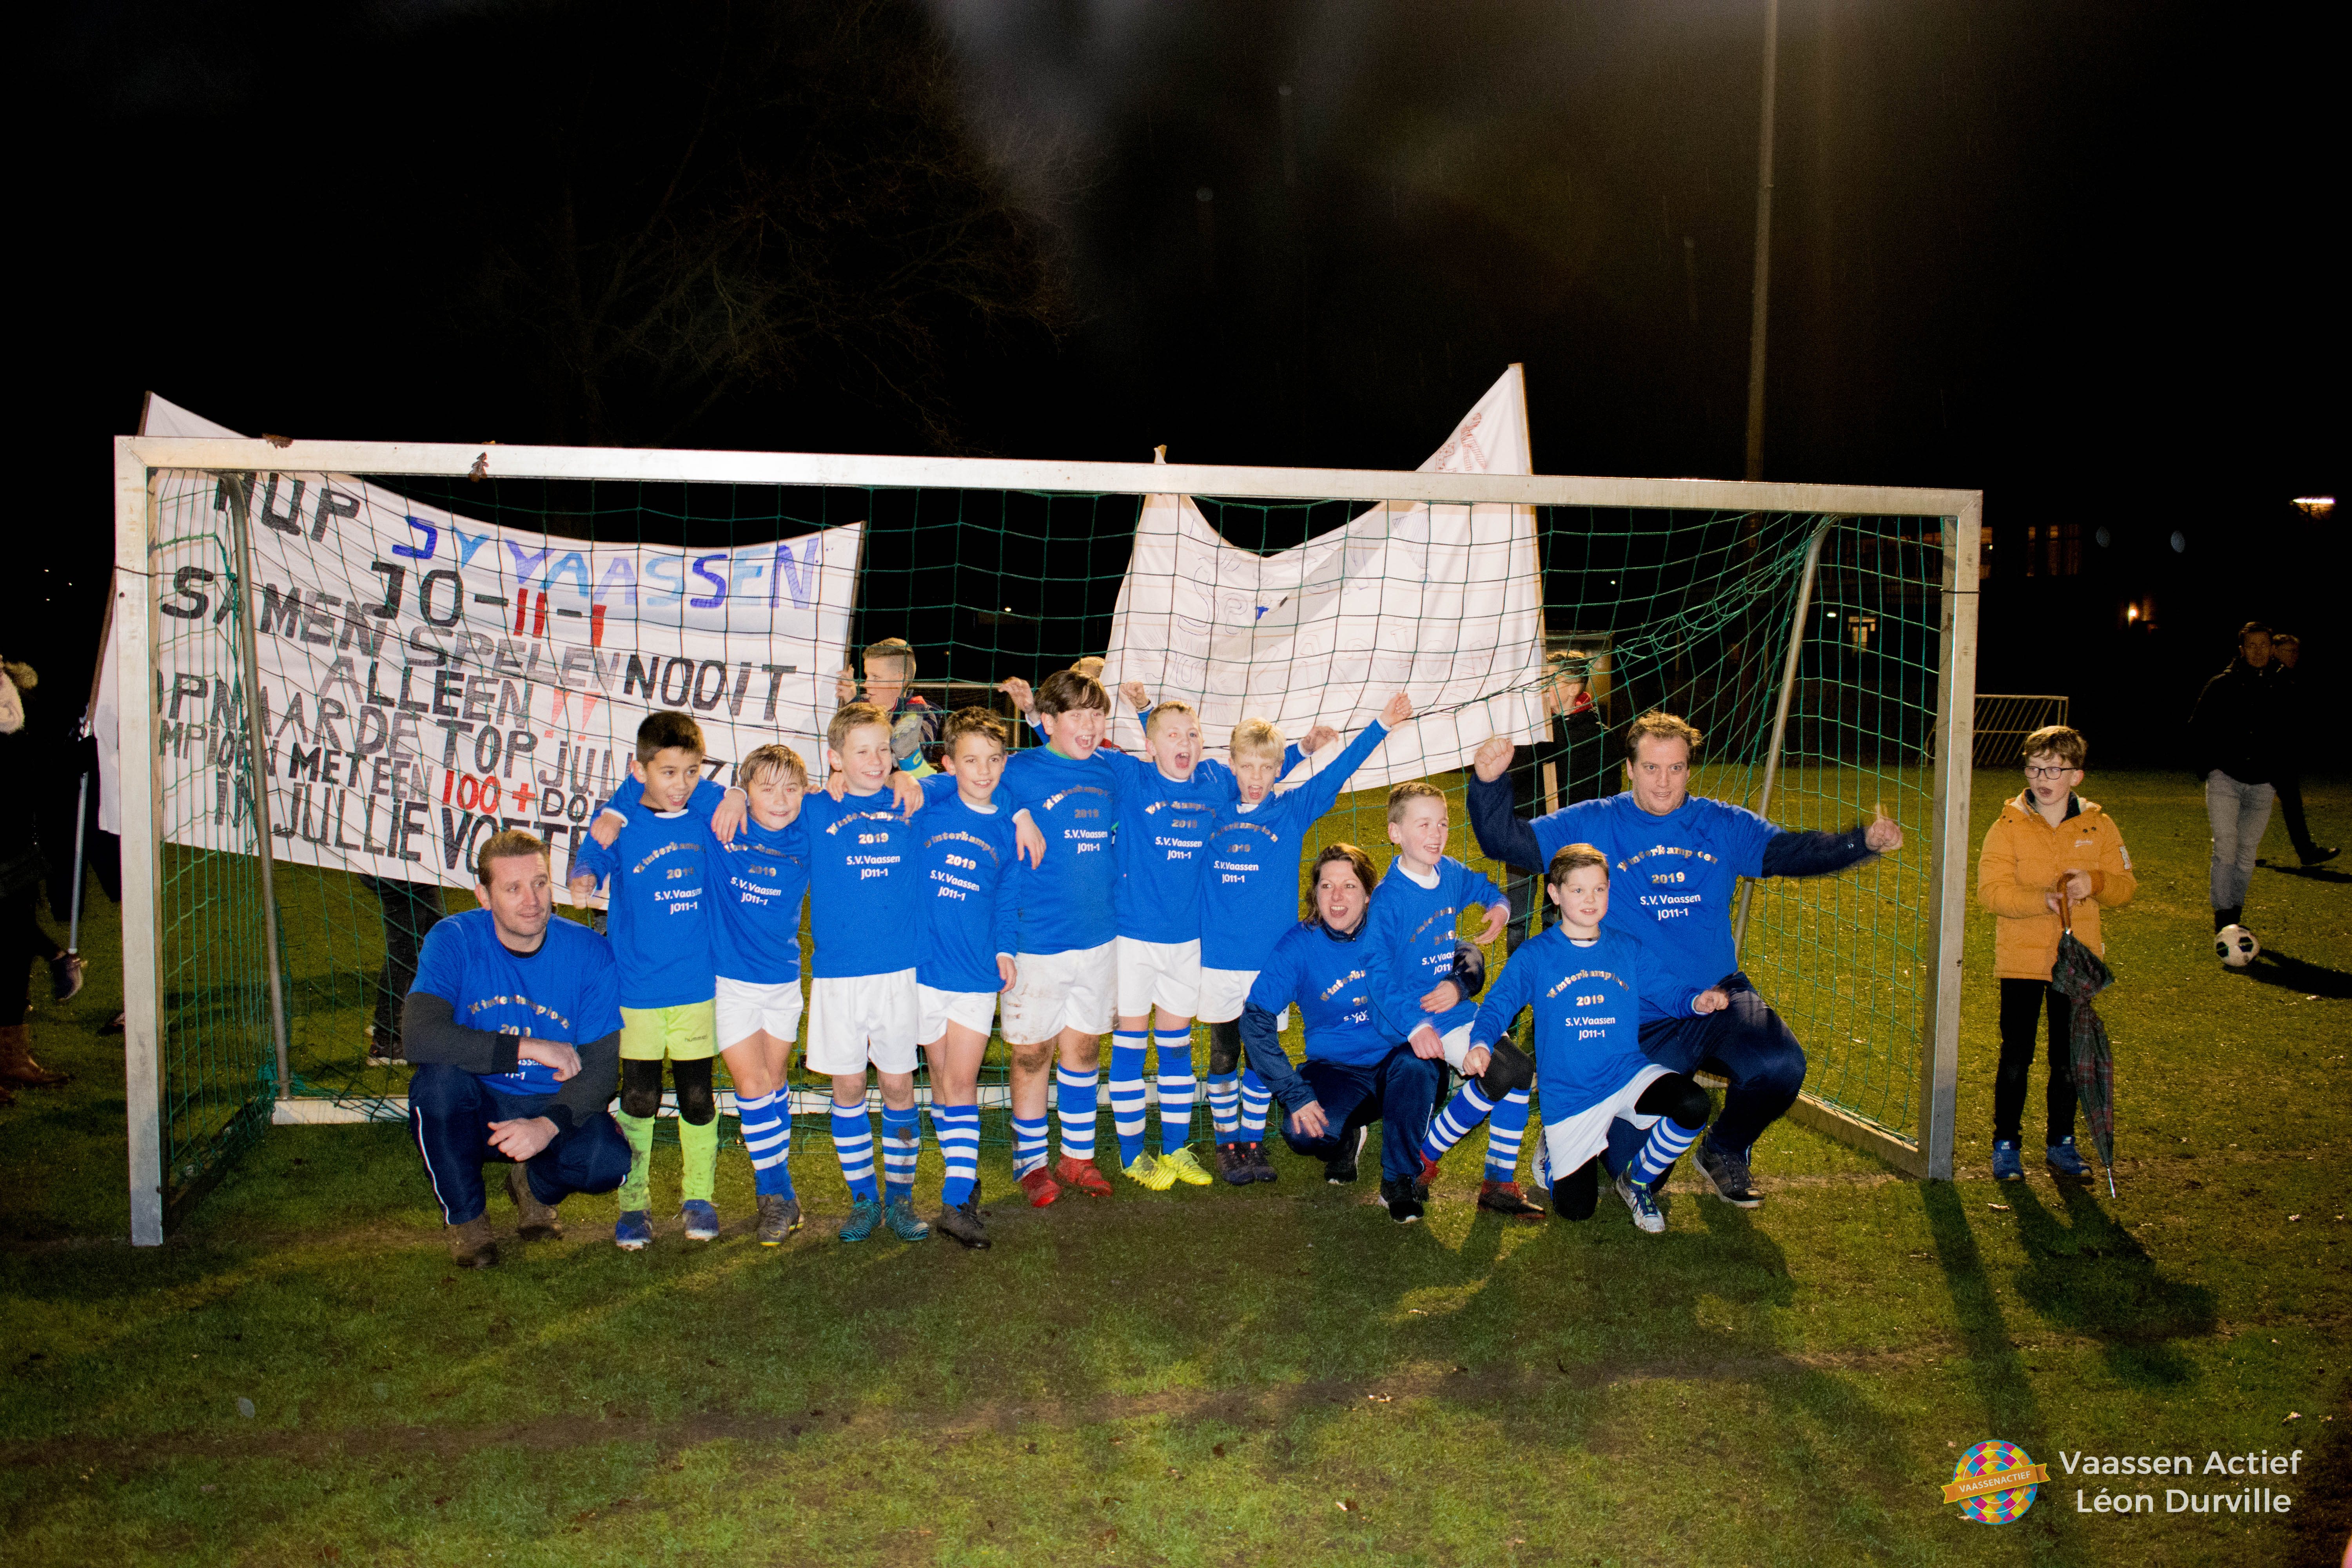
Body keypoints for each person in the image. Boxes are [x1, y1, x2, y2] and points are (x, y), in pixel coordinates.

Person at [1466, 711, 1900, 1207]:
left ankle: (1724, 1149)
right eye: (1651, 768)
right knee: (1622, 1164)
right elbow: (1507, 841)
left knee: (1780, 1065)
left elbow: (1788, 853)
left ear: (1689, 769)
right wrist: (1489, 783)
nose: (1663, 781)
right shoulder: (1596, 821)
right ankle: (1577, 1128)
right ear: (1629, 768)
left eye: (1675, 768)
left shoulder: (1720, 823)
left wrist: (1859, 842)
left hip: (1716, 996)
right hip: (1635, 1012)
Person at [582, 742, 812, 1244]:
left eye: (791, 788)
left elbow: (861, 793)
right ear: (746, 791)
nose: (779, 799)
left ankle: (779, 1197)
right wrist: (724, 792)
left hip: (784, 982)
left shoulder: (809, 822)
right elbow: (665, 779)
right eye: (765, 788)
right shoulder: (722, 816)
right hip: (727, 983)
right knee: (752, 1088)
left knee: (774, 1086)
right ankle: (777, 1193)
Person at [1197, 696, 1408, 1182]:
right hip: (1218, 961)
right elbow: (1169, 763)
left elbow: (1335, 776)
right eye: (1246, 766)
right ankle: (1227, 1143)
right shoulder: (1212, 809)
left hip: (1270, 963)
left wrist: (1380, 724)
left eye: (1266, 768)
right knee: (1224, 1052)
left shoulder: (1291, 812)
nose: (1255, 776)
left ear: (1278, 771)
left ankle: (1253, 1142)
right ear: (1231, 765)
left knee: (1259, 1053)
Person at [406, 830, 631, 1267]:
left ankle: (531, 1184)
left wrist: (547, 1126)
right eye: (513, 888)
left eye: (541, 883)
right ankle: (468, 1221)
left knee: (608, 1161)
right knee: (437, 1084)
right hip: (479, 1102)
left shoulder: (590, 952)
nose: (533, 900)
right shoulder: (453, 939)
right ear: (484, 897)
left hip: (551, 1102)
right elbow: (420, 1035)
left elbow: (602, 1069)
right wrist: (529, 1047)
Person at [1464, 845, 1717, 1232]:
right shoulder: (1536, 956)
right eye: (1578, 890)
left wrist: (1698, 1001)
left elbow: (1670, 991)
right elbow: (1497, 1007)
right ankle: (1552, 1151)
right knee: (1577, 1209)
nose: (1590, 899)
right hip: (1570, 1095)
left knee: (1693, 1103)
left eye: (1599, 889)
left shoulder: (1626, 948)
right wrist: (1481, 1043)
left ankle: (1637, 1182)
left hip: (1625, 1074)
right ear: (1554, 893)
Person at [566, 711, 744, 1250]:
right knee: (639, 1098)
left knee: (697, 1097)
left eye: (692, 771)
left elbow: (738, 800)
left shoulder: (705, 813)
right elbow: (592, 853)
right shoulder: (621, 824)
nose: (681, 784)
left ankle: (699, 1197)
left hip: (696, 988)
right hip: (638, 991)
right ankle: (634, 1204)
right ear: (639, 770)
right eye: (668, 772)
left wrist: (733, 792)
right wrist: (585, 873)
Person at [791, 701, 943, 1241]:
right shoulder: (814, 809)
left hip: (900, 974)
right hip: (838, 976)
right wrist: (739, 792)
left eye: (884, 749)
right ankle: (862, 1199)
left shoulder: (912, 803)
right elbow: (755, 801)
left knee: (899, 1085)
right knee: (849, 1086)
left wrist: (912, 774)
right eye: (863, 751)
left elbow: (975, 786)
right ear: (835, 759)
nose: (877, 760)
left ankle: (901, 1200)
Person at [1241, 843, 1453, 1223]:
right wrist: (1297, 1093)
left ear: (1369, 893)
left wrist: (1462, 979)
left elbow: (1459, 951)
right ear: (1315, 893)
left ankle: (1398, 1179)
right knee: (1303, 1133)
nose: (1337, 898)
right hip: (1337, 1070)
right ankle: (1347, 1133)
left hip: (1398, 1064)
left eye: (1349, 886)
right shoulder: (1299, 946)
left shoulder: (1394, 928)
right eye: (1327, 886)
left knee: (1418, 1066)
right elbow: (1255, 1020)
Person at [1357, 782, 1537, 1218]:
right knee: (1463, 1074)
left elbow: (1485, 888)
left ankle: (1495, 1179)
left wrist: (1499, 908)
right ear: (1396, 832)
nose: (1437, 833)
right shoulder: (1387, 900)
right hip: (1406, 1019)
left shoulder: (1450, 873)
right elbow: (1377, 977)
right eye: (1424, 824)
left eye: (1442, 823)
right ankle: (1412, 1166)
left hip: (1450, 1011)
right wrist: (1415, 1027)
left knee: (1518, 1071)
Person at [1976, 724, 2137, 1181]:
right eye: (2034, 767)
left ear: (2076, 776)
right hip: (2023, 959)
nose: (2042, 777)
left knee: (2068, 1058)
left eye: (2054, 768)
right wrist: (2040, 901)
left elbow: (2126, 887)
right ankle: (2005, 1144)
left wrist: (2095, 882)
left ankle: (2062, 1143)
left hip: (2075, 961)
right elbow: (1991, 892)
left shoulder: (2098, 825)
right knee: (2016, 1054)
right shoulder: (2006, 826)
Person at [910, 708, 1024, 1247]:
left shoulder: (1008, 825)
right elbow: (903, 784)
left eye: (994, 760)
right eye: (971, 760)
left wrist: (1004, 950)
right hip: (922, 972)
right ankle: (962, 1176)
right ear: (949, 762)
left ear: (1005, 762)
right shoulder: (928, 808)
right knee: (941, 1082)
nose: (983, 771)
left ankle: (955, 1202)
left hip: (975, 974)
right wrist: (919, 783)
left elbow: (1007, 897)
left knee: (960, 1084)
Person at [0, 657, 74, 1100]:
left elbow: (24, 752)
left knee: (11, 951)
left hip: (13, 840)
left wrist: (70, 753)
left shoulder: (10, 684)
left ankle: (12, 1058)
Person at [1501, 651, 1607, 955]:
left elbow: (1603, 795)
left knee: (1558, 915)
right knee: (1517, 915)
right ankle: (1518, 986)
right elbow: (1513, 782)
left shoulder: (1596, 736)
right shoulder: (1528, 732)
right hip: (1525, 834)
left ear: (1574, 687)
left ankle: (1554, 974)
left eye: (1551, 680)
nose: (1542, 686)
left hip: (1568, 842)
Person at [2187, 622, 2287, 932]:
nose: (2258, 651)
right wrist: (2210, 767)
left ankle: (2236, 912)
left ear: (2272, 649)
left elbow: (2297, 734)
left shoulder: (2284, 687)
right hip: (2226, 780)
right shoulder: (2222, 685)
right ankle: (2223, 916)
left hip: (2263, 783)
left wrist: (2278, 773)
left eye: (2264, 645)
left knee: (2247, 853)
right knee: (2226, 846)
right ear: (2242, 650)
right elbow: (2197, 728)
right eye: (2251, 645)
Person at [2266, 634, 2338, 868]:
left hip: (2276, 751)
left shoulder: (2282, 675)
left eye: (2297, 652)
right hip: (2269, 752)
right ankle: (2307, 852)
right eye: (2289, 651)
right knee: (2287, 803)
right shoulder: (2274, 676)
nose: (2295, 656)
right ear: (2275, 651)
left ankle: (2307, 852)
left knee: (2286, 803)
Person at [361, 875, 446, 1064]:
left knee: (435, 940)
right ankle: (386, 1042)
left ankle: (408, 1023)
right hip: (398, 876)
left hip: (418, 876)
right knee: (405, 951)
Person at [834, 637, 942, 776]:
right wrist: (851, 701)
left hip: (904, 791)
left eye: (876, 677)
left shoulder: (920, 712)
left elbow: (909, 750)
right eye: (867, 676)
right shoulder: (861, 704)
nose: (866, 684)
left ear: (899, 680)